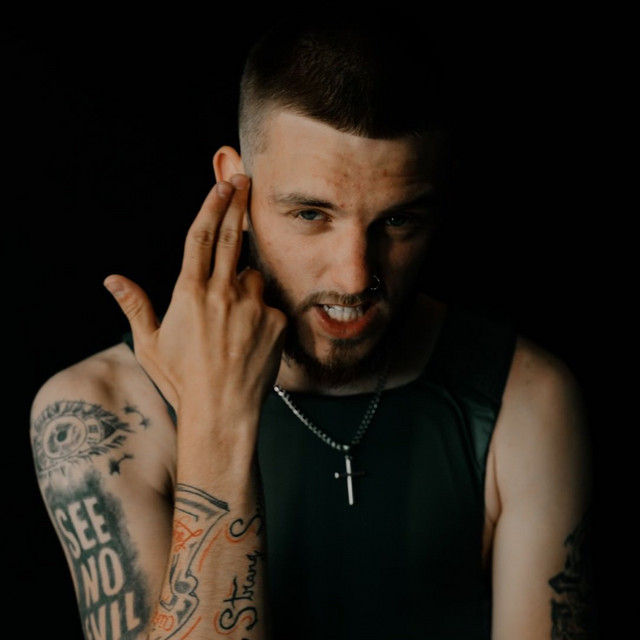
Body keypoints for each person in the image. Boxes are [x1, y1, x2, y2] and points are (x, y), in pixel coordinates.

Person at [29, 13, 596, 640]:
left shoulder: (523, 399)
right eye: (310, 214)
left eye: (398, 221)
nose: (354, 277)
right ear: (234, 188)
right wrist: (217, 423)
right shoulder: (99, 415)